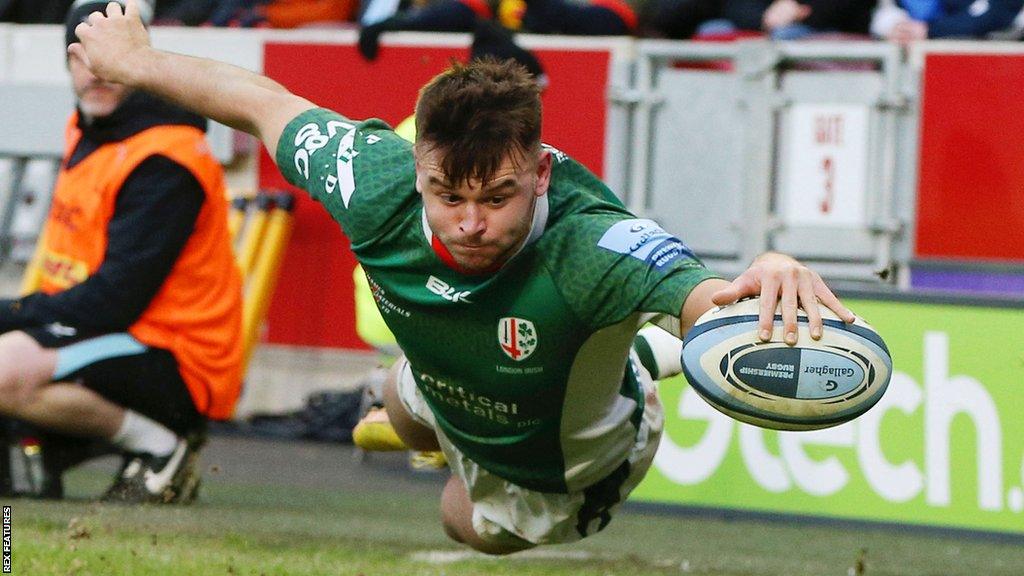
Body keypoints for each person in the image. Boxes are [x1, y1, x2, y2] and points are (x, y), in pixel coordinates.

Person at [70, 0, 854, 551]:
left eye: (498, 196)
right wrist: (137, 61)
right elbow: (259, 101)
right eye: (449, 195)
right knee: (393, 402)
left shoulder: (594, 247)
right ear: (416, 168)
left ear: (542, 172)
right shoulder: (371, 178)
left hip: (565, 460)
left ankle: (635, 373)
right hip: (454, 376)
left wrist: (761, 276)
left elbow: (703, 300)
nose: (471, 223)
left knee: (459, 520)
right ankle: (442, 406)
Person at [0, 0, 243, 503]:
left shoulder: (165, 158)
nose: (96, 74)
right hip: (107, 333)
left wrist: (15, 314)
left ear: (139, 60)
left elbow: (116, 301)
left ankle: (162, 446)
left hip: (175, 357)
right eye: (81, 56)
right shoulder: (88, 128)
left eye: (110, 58)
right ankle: (42, 452)